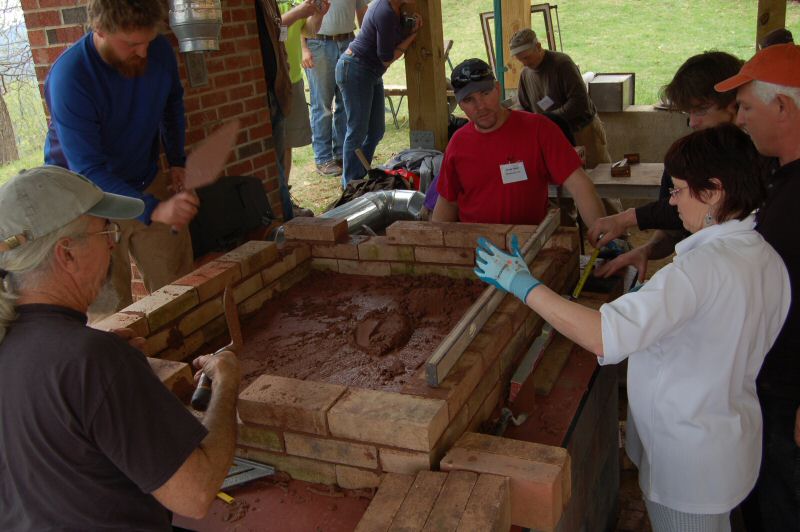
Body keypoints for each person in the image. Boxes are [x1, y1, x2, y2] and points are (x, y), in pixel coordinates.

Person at [475, 124, 790, 531]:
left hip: (687, 468)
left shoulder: (698, 272)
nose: (672, 202)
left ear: (712, 191)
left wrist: (523, 285)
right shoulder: (766, 257)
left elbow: (603, 336)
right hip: (730, 440)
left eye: (677, 190)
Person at [0, 166, 240, 530]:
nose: (113, 243)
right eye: (105, 231)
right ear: (67, 254)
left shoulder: (28, 344)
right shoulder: (92, 362)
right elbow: (197, 493)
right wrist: (226, 383)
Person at [43, 0, 199, 317]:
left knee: (177, 285)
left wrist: (177, 160)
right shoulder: (70, 78)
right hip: (86, 199)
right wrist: (156, 209)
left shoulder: (158, 51)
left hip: (144, 175)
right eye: (131, 44)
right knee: (109, 308)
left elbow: (172, 105)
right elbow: (88, 171)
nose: (143, 53)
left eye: (148, 41)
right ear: (99, 30)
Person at [715, 42, 800, 532]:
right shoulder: (777, 173)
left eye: (746, 107)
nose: (740, 119)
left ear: (783, 106)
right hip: (767, 378)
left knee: (782, 505)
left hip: (791, 391)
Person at [587, 51, 744, 282]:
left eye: (700, 110)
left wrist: (627, 218)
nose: (693, 122)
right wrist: (647, 250)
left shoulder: (754, 157)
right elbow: (674, 220)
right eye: (687, 113)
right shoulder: (687, 157)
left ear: (734, 103)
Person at [432, 58, 605, 227]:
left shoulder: (539, 129)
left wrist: (601, 232)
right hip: (476, 248)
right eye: (469, 100)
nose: (481, 106)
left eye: (485, 93)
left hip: (526, 246)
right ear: (460, 104)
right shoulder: (458, 143)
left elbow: (579, 185)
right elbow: (448, 201)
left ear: (498, 89)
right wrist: (436, 247)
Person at [336, 0, 422, 185]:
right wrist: (412, 36)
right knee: (357, 131)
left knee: (376, 130)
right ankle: (350, 183)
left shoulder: (395, 9)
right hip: (355, 69)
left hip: (370, 71)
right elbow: (386, 58)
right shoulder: (383, 11)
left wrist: (408, 28)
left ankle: (359, 175)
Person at [509, 29, 610, 168]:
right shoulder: (525, 74)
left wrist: (548, 119)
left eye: (526, 57)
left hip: (581, 132)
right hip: (552, 136)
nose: (524, 63)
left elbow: (579, 102)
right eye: (520, 60)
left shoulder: (562, 64)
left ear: (538, 47)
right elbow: (523, 105)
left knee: (597, 175)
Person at [303, 0, 369, 176]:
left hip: (349, 41)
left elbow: (362, 10)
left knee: (345, 103)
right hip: (318, 43)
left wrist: (367, 40)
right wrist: (303, 48)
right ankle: (323, 159)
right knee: (322, 105)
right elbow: (299, 15)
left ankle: (341, 153)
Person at [278, 0, 331, 217]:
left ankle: (284, 199)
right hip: (273, 82)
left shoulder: (295, 2)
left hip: (293, 79)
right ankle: (277, 202)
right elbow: (272, 28)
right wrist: (299, 11)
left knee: (287, 143)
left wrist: (318, 14)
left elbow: (308, 29)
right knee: (277, 145)